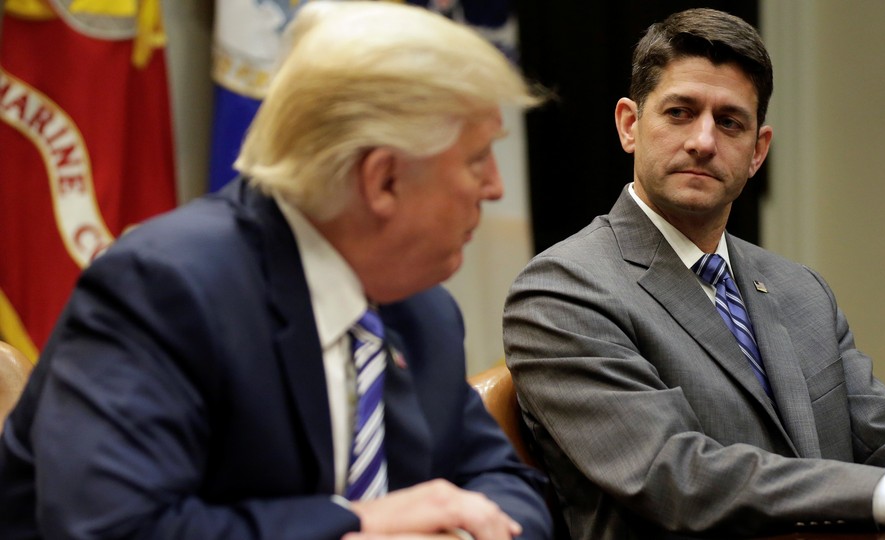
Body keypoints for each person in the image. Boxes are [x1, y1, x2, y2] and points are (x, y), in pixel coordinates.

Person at [0, 2, 551, 539]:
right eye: (477, 159)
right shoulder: (165, 289)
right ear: (382, 179)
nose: (495, 187)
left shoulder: (420, 309)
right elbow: (114, 526)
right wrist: (359, 523)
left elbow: (505, 484)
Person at [503, 7, 885, 539]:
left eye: (729, 121)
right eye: (679, 112)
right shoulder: (562, 291)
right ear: (630, 125)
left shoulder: (799, 288)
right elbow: (676, 477)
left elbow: (881, 430)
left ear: (757, 151)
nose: (702, 140)